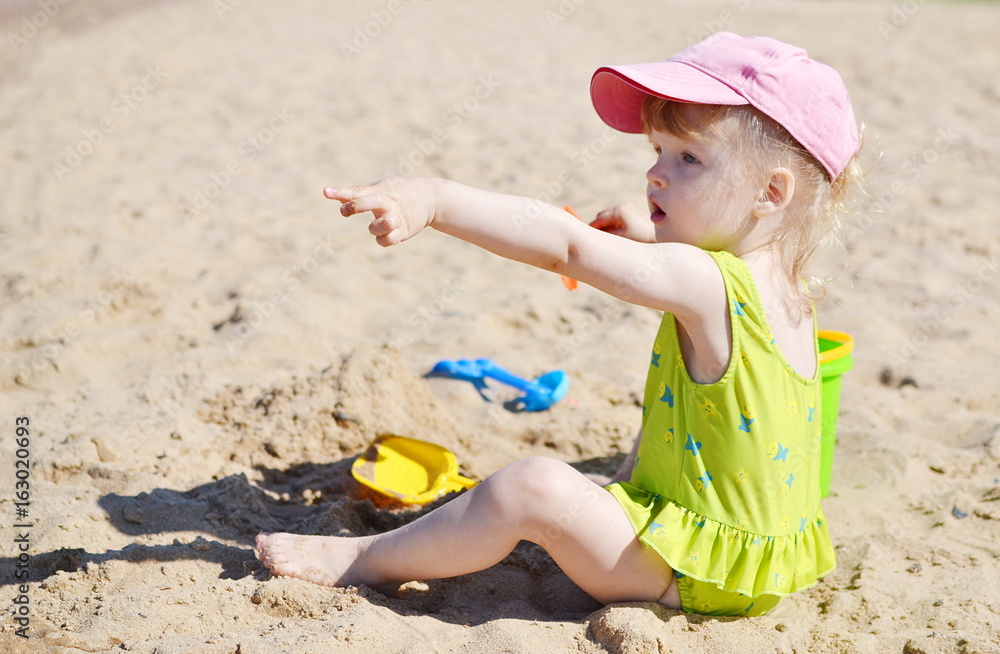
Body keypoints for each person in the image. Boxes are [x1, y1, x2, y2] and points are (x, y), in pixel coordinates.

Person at [255, 32, 862, 616]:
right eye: (656, 152)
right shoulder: (785, 282)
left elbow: (567, 247)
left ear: (770, 193)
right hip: (757, 566)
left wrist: (435, 198)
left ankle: (367, 557)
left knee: (529, 488)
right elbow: (699, 260)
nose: (656, 174)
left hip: (686, 574)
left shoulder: (703, 283)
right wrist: (649, 227)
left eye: (689, 158)